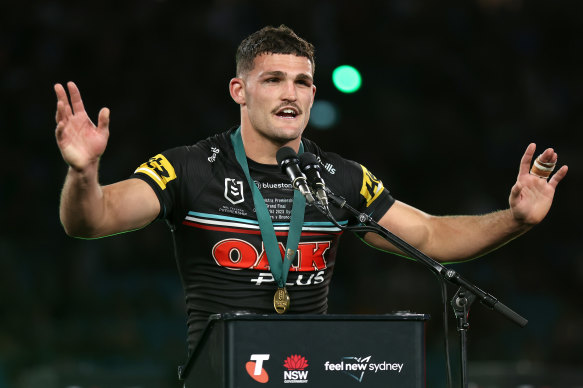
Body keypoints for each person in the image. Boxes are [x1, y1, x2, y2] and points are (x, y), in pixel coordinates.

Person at [54, 25, 567, 351]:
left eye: (301, 82)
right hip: (223, 376)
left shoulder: (339, 179)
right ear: (240, 90)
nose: (290, 93)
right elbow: (91, 220)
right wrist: (83, 174)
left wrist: (515, 219)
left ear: (314, 93)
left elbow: (428, 236)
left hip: (309, 370)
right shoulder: (189, 167)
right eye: (273, 79)